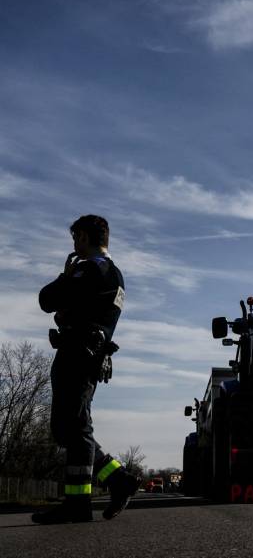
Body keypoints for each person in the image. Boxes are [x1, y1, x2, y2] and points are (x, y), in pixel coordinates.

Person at [31, 215, 141, 524]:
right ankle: (119, 480)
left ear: (83, 237)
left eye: (75, 238)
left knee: (75, 428)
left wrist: (65, 276)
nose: (73, 245)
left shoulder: (90, 270)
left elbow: (46, 300)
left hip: (78, 354)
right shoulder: (113, 273)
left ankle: (77, 503)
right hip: (87, 353)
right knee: (68, 428)